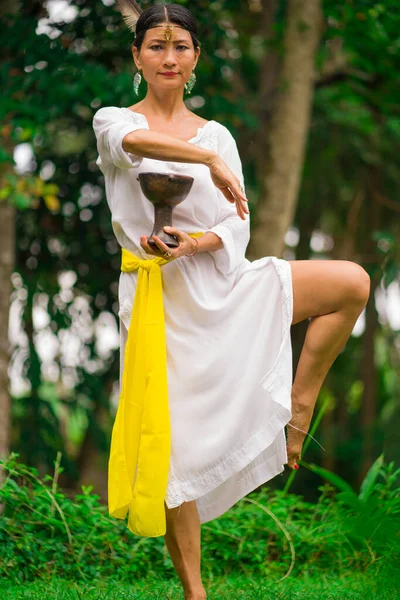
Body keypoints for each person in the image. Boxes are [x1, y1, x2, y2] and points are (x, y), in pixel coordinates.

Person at [92, 4, 370, 599]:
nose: (170, 57)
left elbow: (236, 223)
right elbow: (132, 144)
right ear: (137, 55)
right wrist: (207, 162)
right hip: (155, 302)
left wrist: (194, 242)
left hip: (218, 282)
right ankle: (196, 592)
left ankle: (298, 405)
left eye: (182, 46)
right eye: (158, 45)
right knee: (176, 451)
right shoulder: (113, 120)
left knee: (351, 283)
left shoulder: (217, 131)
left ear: (196, 58)